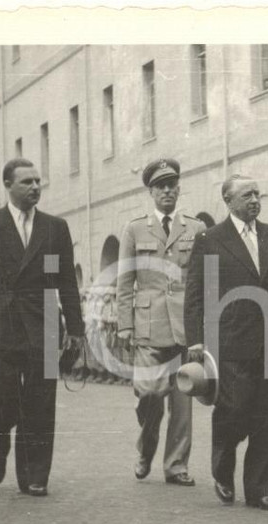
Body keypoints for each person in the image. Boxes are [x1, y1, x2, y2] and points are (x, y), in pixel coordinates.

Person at [0, 158, 85, 497]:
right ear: (8, 185)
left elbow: (65, 281)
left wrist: (75, 328)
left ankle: (35, 474)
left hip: (44, 321)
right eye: (26, 182)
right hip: (0, 323)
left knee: (41, 402)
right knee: (0, 400)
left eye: (37, 181)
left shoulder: (54, 227)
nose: (34, 187)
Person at [184, 174, 268, 511]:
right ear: (228, 201)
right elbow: (195, 294)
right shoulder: (210, 239)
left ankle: (263, 489)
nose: (255, 199)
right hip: (229, 341)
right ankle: (223, 469)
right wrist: (195, 339)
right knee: (234, 410)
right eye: (246, 195)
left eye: (257, 193)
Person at [116, 158, 205, 487]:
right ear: (151, 192)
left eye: (172, 185)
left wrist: (204, 327)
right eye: (160, 186)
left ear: (179, 189)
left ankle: (176, 465)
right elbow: (124, 281)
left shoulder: (195, 229)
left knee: (183, 401)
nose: (167, 191)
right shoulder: (135, 229)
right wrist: (124, 324)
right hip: (148, 326)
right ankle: (146, 446)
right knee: (150, 394)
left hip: (185, 325)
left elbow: (203, 281)